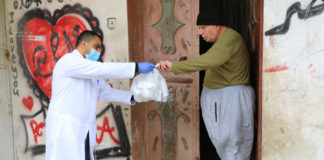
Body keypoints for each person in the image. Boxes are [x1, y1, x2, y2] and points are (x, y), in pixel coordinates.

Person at [158, 8, 255, 160]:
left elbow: (209, 60)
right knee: (224, 141)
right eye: (199, 28)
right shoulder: (221, 40)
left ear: (216, 26)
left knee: (234, 142)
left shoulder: (231, 39)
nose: (200, 32)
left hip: (232, 98)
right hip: (222, 97)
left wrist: (174, 67)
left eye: (203, 28)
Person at [45, 30, 155, 160]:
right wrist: (135, 67)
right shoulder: (68, 61)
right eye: (96, 46)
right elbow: (101, 69)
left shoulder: (90, 71)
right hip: (66, 128)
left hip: (83, 130)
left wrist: (134, 96)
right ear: (83, 45)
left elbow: (105, 92)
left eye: (100, 48)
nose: (99, 51)